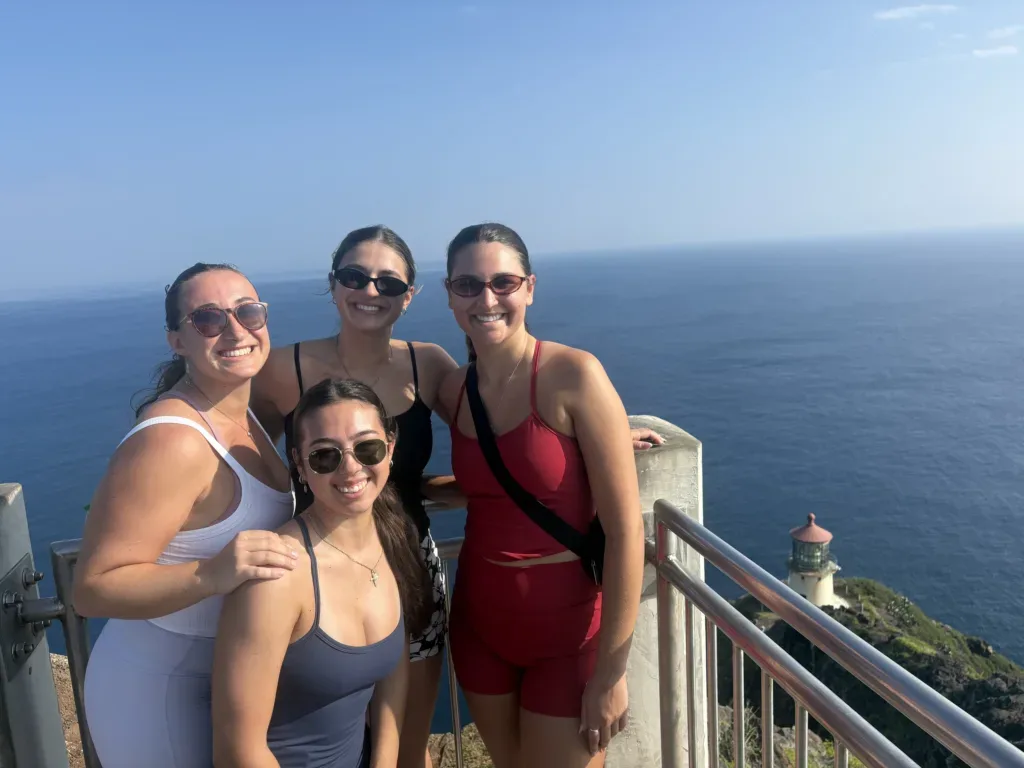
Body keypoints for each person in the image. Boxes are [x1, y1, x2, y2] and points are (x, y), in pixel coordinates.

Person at [250, 225, 662, 768]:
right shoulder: (299, 371)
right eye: (468, 284)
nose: (371, 291)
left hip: (478, 600)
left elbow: (612, 522)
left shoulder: (449, 370)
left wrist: (600, 435)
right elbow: (236, 445)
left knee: (407, 745)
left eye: (503, 282)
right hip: (372, 595)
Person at [438, 223, 646, 768]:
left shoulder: (573, 374)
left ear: (529, 288)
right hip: (479, 626)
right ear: (450, 295)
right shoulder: (453, 389)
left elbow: (626, 533)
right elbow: (491, 479)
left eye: (503, 282)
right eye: (468, 285)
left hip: (567, 637)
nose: (486, 299)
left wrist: (611, 673)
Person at [74, 263, 298, 768]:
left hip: (226, 675)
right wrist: (212, 573)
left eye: (248, 312)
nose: (236, 330)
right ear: (178, 341)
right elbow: (92, 588)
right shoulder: (173, 441)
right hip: (161, 688)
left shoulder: (246, 416)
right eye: (209, 319)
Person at [212, 378, 432, 768]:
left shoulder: (391, 539)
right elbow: (236, 749)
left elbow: (392, 682)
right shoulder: (279, 576)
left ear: (390, 448)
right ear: (300, 464)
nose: (351, 468)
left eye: (367, 448)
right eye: (325, 456)